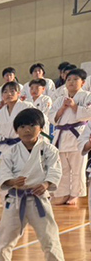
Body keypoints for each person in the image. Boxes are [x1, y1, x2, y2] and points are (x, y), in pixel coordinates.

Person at [0, 108, 69, 261]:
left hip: (39, 199)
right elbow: (3, 172)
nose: (27, 130)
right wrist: (12, 181)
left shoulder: (49, 149)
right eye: (22, 126)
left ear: (41, 128)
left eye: (32, 125)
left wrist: (46, 184)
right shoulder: (11, 151)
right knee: (6, 236)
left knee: (49, 236)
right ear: (16, 130)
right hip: (16, 199)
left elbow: (55, 170)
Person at [51, 67, 90, 206]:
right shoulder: (60, 99)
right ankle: (62, 193)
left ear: (83, 82)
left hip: (77, 135)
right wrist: (62, 108)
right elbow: (51, 116)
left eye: (75, 79)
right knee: (63, 169)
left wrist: (74, 107)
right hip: (61, 137)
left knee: (77, 169)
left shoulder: (86, 96)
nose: (71, 82)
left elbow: (88, 113)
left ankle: (75, 194)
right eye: (68, 80)